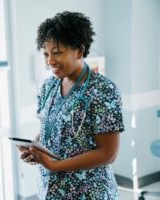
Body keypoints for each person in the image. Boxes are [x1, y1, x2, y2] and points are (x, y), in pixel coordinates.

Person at [18, 11, 125, 199]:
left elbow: (108, 153)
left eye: (57, 53)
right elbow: (49, 128)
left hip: (89, 192)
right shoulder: (48, 86)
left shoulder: (103, 89)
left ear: (79, 51)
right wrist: (35, 148)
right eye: (46, 54)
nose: (50, 61)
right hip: (50, 189)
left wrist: (55, 165)